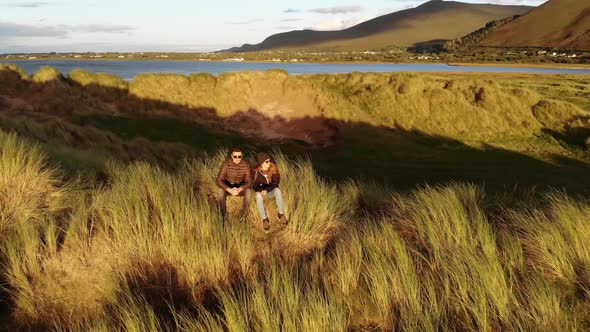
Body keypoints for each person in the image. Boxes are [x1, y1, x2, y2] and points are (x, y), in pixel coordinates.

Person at [252, 152, 286, 232]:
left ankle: (280, 214)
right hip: (261, 193)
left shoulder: (273, 169)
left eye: (269, 160)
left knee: (277, 191)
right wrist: (260, 191)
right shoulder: (256, 172)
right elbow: (254, 186)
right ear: (262, 163)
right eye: (266, 161)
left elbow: (275, 183)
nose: (269, 163)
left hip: (270, 192)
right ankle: (265, 219)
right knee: (257, 196)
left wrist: (266, 190)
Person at [216, 148, 252, 223]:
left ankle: (244, 216)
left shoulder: (245, 165)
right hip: (228, 186)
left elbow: (249, 181)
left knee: (248, 191)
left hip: (240, 187)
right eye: (235, 156)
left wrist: (240, 188)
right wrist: (229, 189)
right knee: (220, 191)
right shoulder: (226, 164)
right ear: (232, 156)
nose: (237, 158)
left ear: (242, 156)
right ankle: (223, 215)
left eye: (239, 157)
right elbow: (219, 179)